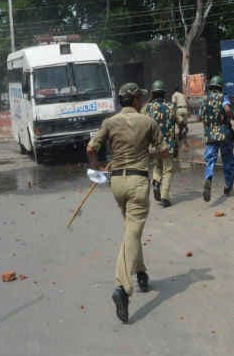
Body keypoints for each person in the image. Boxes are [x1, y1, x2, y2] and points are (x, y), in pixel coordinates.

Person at [86, 82, 167, 324]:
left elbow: (91, 148)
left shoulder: (110, 122)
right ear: (134, 100)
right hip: (137, 182)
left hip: (117, 183)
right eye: (139, 97)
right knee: (132, 232)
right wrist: (148, 154)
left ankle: (141, 273)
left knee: (132, 229)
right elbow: (164, 151)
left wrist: (98, 168)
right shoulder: (147, 122)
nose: (141, 101)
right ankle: (122, 287)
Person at [200, 75, 234, 201]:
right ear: (220, 87)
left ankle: (208, 177)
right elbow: (227, 109)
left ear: (211, 87)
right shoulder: (223, 97)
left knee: (210, 159)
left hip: (210, 134)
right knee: (228, 160)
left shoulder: (205, 99)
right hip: (224, 133)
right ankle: (228, 186)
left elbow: (200, 116)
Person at [144, 80, 177, 207]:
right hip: (167, 145)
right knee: (167, 170)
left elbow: (139, 115)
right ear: (164, 93)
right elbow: (179, 121)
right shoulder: (170, 107)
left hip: (153, 145)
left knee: (158, 165)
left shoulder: (148, 108)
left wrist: (149, 99)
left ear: (153, 94)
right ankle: (164, 196)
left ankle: (156, 181)